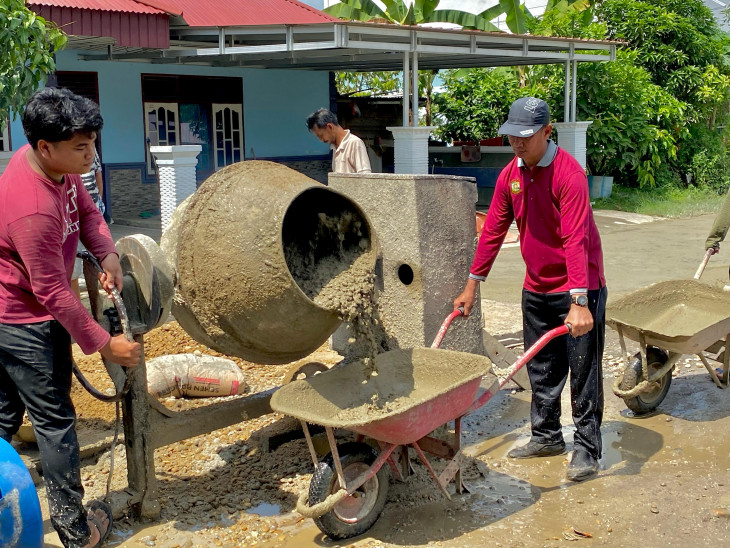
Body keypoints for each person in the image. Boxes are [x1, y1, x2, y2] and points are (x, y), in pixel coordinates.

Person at [0, 87, 141, 547]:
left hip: (17, 308)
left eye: (93, 143)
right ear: (45, 146)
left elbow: (86, 209)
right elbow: (53, 292)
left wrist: (107, 252)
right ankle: (75, 531)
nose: (91, 155)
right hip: (23, 321)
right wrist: (104, 342)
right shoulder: (32, 207)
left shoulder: (57, 166)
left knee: (3, 415)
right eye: (81, 148)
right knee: (56, 424)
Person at [454, 97, 607, 482]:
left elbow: (576, 239)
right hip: (537, 287)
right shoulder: (511, 176)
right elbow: (492, 231)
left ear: (546, 132)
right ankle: (547, 436)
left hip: (579, 290)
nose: (518, 144)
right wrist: (474, 283)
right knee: (541, 369)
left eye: (525, 137)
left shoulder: (568, 175)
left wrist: (579, 301)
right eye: (512, 137)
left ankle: (587, 449)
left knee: (583, 371)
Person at [71, 148, 105, 298]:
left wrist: (98, 203)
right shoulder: (64, 152)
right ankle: (77, 316)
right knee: (73, 269)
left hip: (92, 213)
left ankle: (96, 306)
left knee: (95, 263)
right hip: (73, 219)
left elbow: (98, 172)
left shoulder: (91, 149)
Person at [306, 108, 372, 174]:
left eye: (321, 135)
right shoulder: (334, 147)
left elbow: (365, 176)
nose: (321, 140)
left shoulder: (355, 143)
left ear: (330, 127)